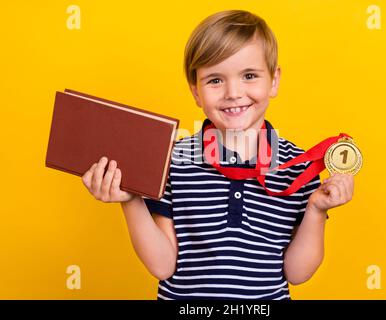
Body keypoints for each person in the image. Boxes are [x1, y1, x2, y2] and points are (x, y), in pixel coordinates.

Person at [81, 9, 354, 300]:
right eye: (214, 80)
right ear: (195, 91)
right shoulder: (172, 161)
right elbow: (162, 266)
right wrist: (131, 201)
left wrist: (315, 210)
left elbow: (297, 273)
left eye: (249, 75)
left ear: (274, 80)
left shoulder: (299, 167)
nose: (233, 92)